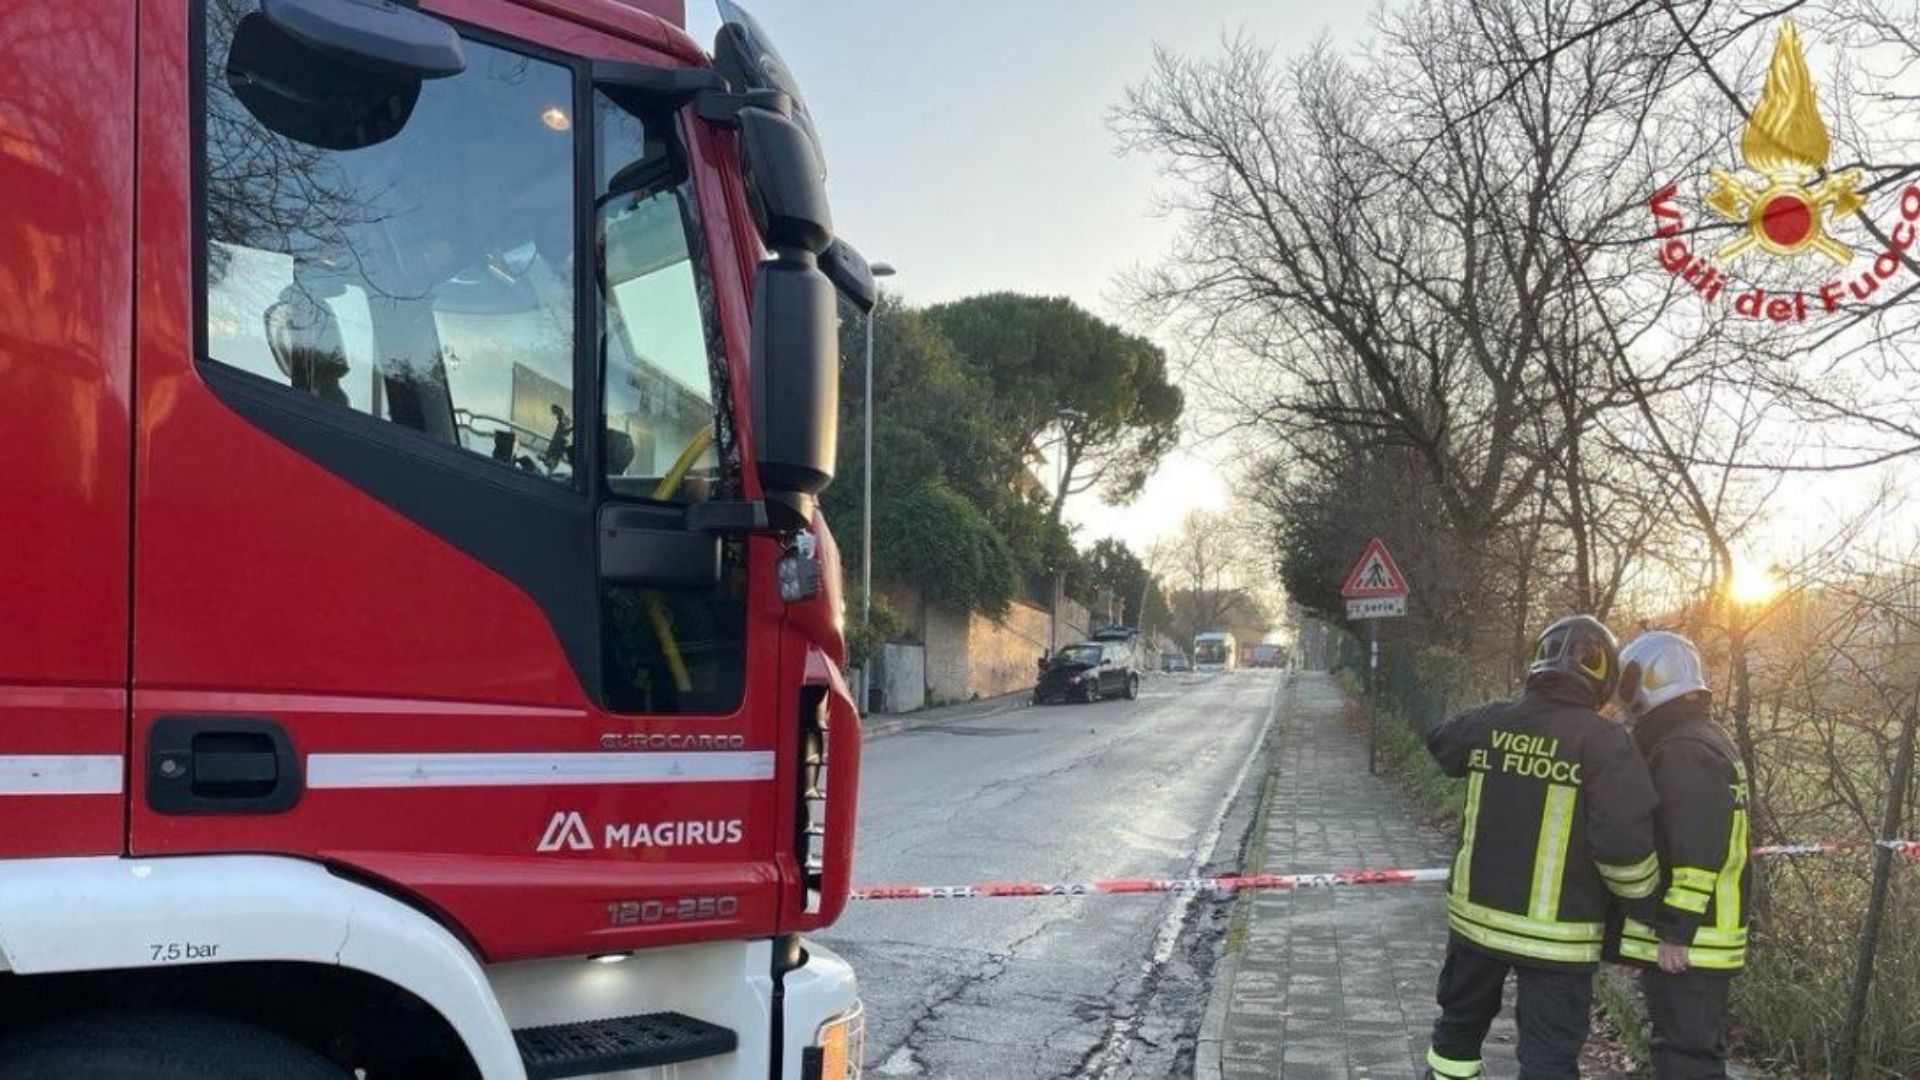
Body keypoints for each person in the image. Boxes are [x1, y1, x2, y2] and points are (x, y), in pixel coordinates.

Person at [1424, 615, 1661, 1079]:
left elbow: (1441, 743)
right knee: (1548, 1059)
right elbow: (1622, 845)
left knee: (1457, 1035)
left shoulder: (1491, 722)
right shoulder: (1607, 744)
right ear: (1604, 678)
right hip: (1559, 940)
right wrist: (1645, 904)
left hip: (1475, 926)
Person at [1608, 631, 1751, 1079]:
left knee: (1687, 1058)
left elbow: (1694, 847)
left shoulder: (1683, 750)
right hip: (1705, 934)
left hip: (1694, 940)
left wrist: (1675, 930)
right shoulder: (1702, 738)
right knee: (1683, 1050)